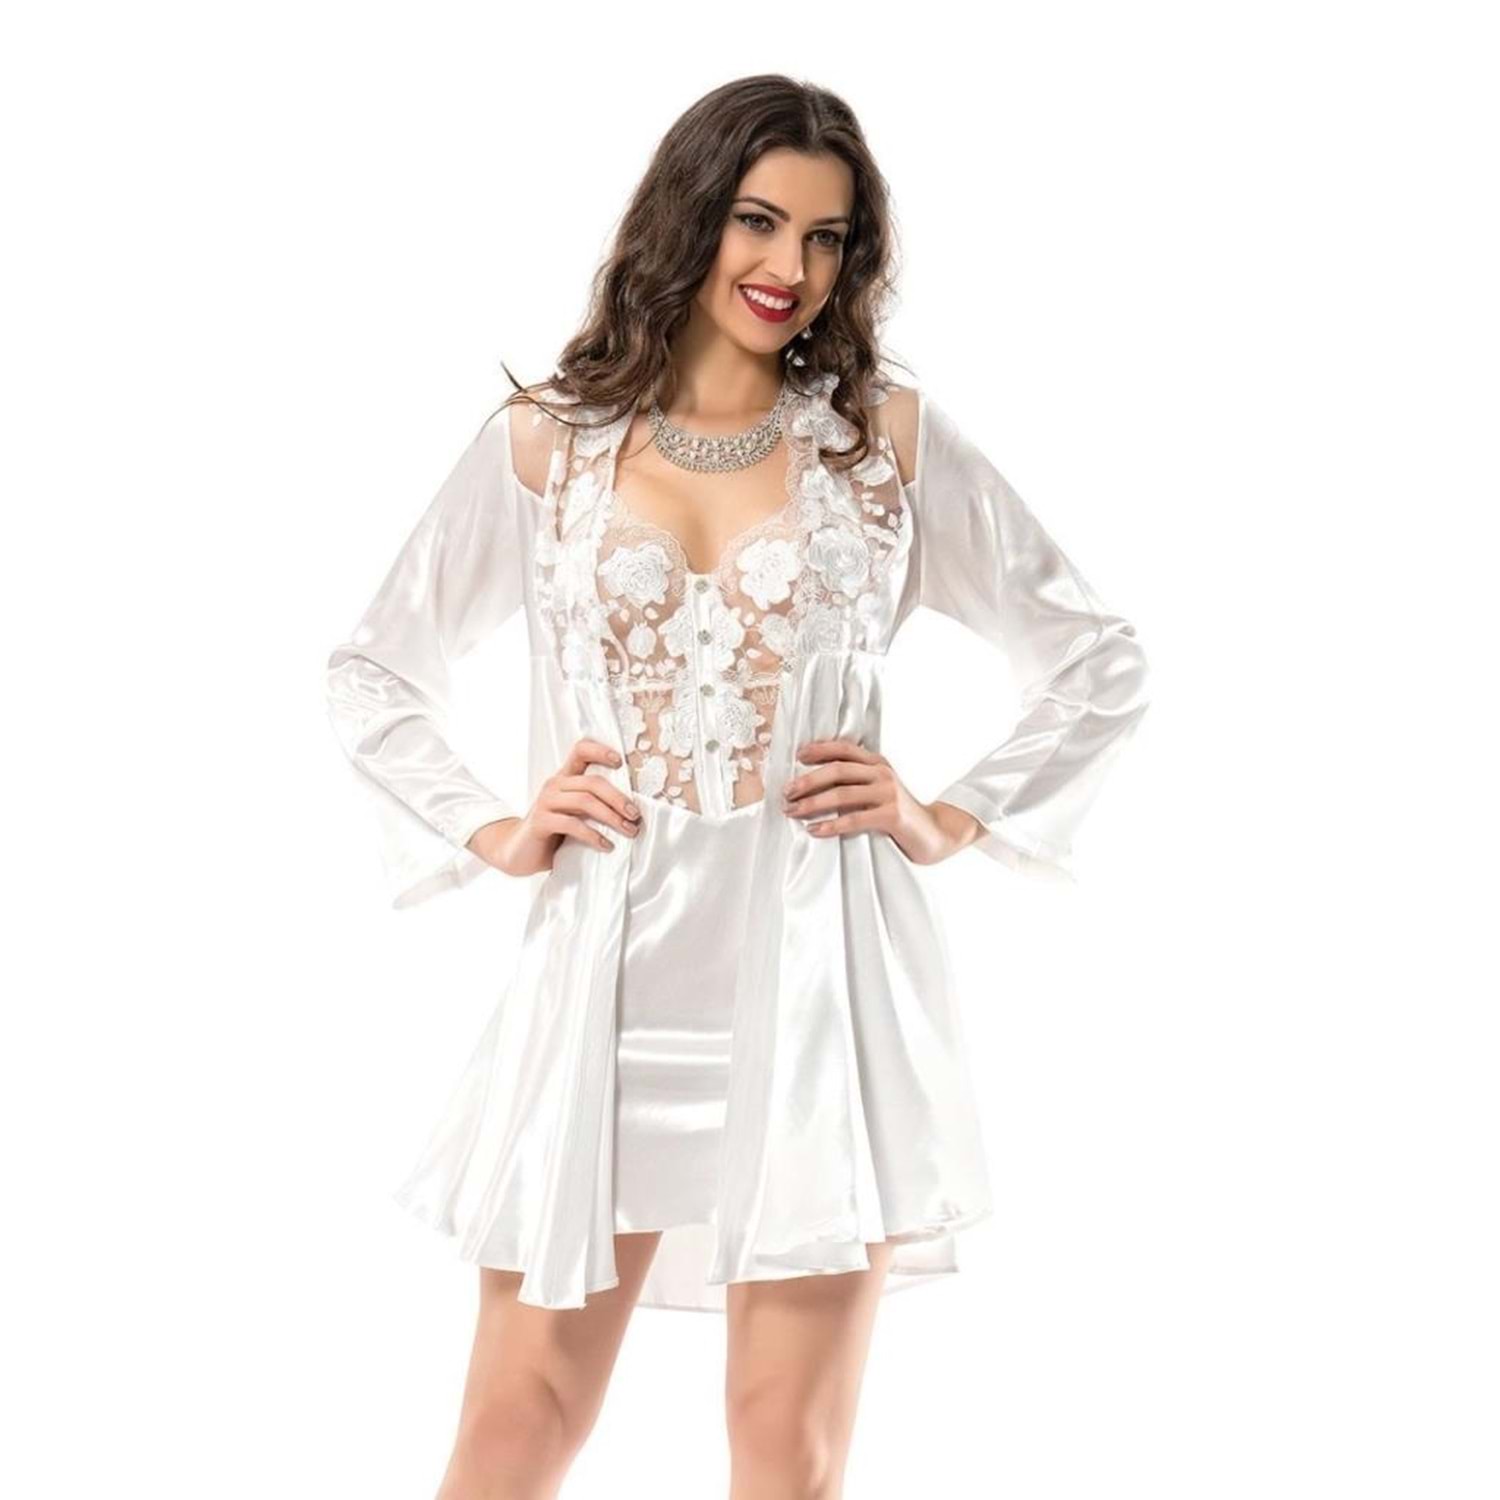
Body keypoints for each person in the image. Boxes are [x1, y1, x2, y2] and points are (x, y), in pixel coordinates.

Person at [324, 74, 1150, 1500]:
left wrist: (946, 814)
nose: (789, 268)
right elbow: (373, 669)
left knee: (786, 1450)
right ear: (690, 215)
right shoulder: (549, 444)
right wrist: (495, 827)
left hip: (821, 979)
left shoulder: (880, 444)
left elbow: (1096, 657)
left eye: (827, 238)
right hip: (603, 980)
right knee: (514, 1427)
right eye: (759, 221)